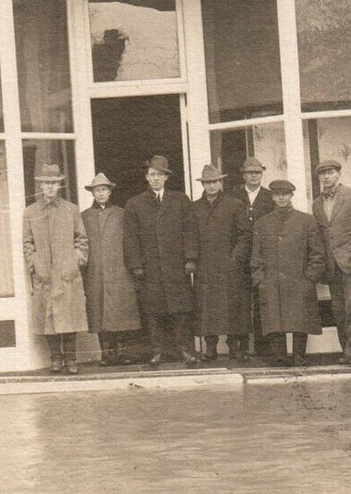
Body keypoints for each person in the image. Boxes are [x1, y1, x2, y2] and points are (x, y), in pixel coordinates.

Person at [123, 154, 200, 366]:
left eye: (160, 175)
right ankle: (157, 351)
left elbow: (190, 230)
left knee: (180, 309)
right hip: (151, 267)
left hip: (176, 265)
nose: (155, 178)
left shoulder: (180, 200)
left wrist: (190, 257)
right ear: (146, 177)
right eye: (152, 174)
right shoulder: (135, 203)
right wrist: (136, 265)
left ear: (166, 178)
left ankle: (183, 350)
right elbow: (130, 238)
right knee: (153, 311)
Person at [250, 180, 326, 367]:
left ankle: (299, 354)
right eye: (277, 194)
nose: (281, 198)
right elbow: (256, 255)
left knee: (301, 319)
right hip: (272, 281)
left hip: (299, 281)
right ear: (273, 197)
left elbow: (317, 253)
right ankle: (280, 356)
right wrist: (260, 280)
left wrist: (310, 277)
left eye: (285, 194)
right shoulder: (262, 223)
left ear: (291, 195)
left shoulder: (306, 221)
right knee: (274, 318)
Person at [23, 164, 89, 374]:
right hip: (44, 274)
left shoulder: (71, 209)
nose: (50, 187)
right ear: (40, 185)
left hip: (67, 273)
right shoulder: (31, 212)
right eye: (46, 183)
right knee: (48, 317)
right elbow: (27, 242)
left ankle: (71, 360)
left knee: (69, 315)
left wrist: (76, 260)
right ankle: (55, 359)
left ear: (59, 184)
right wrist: (34, 263)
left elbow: (82, 239)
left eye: (53, 183)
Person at [192, 164, 251, 364]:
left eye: (215, 182)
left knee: (232, 306)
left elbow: (245, 235)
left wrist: (234, 258)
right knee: (207, 307)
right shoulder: (195, 207)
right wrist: (193, 259)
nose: (211, 186)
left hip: (229, 266)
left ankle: (233, 347)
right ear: (203, 184)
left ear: (221, 182)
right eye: (207, 182)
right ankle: (210, 348)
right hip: (205, 267)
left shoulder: (234, 204)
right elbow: (189, 237)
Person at [80, 173, 140, 366]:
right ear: (92, 193)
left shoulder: (122, 214)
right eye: (97, 190)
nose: (101, 194)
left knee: (121, 312)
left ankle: (122, 353)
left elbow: (131, 241)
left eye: (104, 190)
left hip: (119, 270)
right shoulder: (84, 217)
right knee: (99, 312)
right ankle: (106, 354)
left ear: (110, 192)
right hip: (96, 271)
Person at [312, 159, 351, 365]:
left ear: (339, 174)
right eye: (322, 173)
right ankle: (346, 351)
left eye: (331, 172)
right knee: (338, 310)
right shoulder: (317, 203)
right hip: (331, 265)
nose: (326, 176)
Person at [232, 157, 275, 358]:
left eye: (257, 173)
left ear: (262, 174)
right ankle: (240, 345)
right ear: (243, 175)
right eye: (250, 173)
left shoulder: (270, 197)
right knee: (239, 301)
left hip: (261, 257)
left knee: (261, 300)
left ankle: (262, 345)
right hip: (239, 257)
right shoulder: (233, 196)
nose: (253, 176)